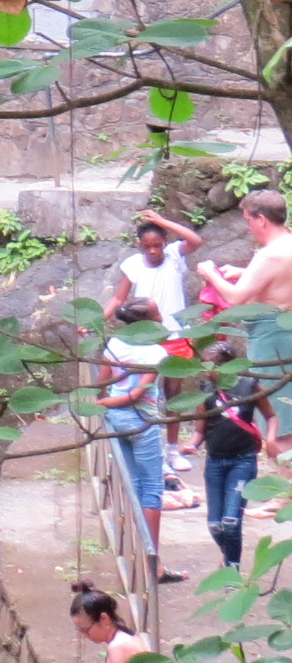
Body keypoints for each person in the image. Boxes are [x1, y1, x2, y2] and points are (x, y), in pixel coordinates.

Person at [110, 210, 206, 466]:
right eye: (147, 247)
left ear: (164, 242)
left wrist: (161, 221)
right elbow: (119, 298)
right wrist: (97, 321)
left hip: (175, 335)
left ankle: (172, 450)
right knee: (146, 392)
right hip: (146, 338)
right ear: (139, 246)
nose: (153, 251)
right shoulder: (132, 265)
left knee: (173, 394)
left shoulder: (174, 255)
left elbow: (195, 241)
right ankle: (153, 448)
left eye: (157, 245)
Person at [99, 297, 184, 581]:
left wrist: (102, 405)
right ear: (146, 323)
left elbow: (102, 384)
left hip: (117, 423)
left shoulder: (114, 345)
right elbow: (137, 395)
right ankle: (152, 562)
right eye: (158, 315)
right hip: (142, 422)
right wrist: (108, 404)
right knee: (151, 490)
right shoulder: (157, 354)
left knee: (132, 485)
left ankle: (132, 552)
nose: (161, 319)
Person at [201, 189, 292, 398]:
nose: (248, 227)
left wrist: (211, 274)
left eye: (248, 221)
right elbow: (282, 276)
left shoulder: (269, 255)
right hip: (286, 327)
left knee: (276, 403)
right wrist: (243, 272)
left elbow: (235, 298)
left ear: (261, 219)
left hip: (271, 337)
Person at [198, 340, 277, 569]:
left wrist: (270, 439)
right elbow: (199, 428)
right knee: (215, 524)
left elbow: (270, 415)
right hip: (215, 461)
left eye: (210, 366)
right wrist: (191, 444)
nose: (206, 371)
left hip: (242, 460)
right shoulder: (205, 389)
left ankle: (233, 569)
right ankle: (227, 554)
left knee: (231, 521)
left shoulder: (249, 386)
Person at [70, 581, 151, 663]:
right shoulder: (125, 636)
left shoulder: (118, 648)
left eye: (86, 630)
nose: (84, 635)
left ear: (104, 619)